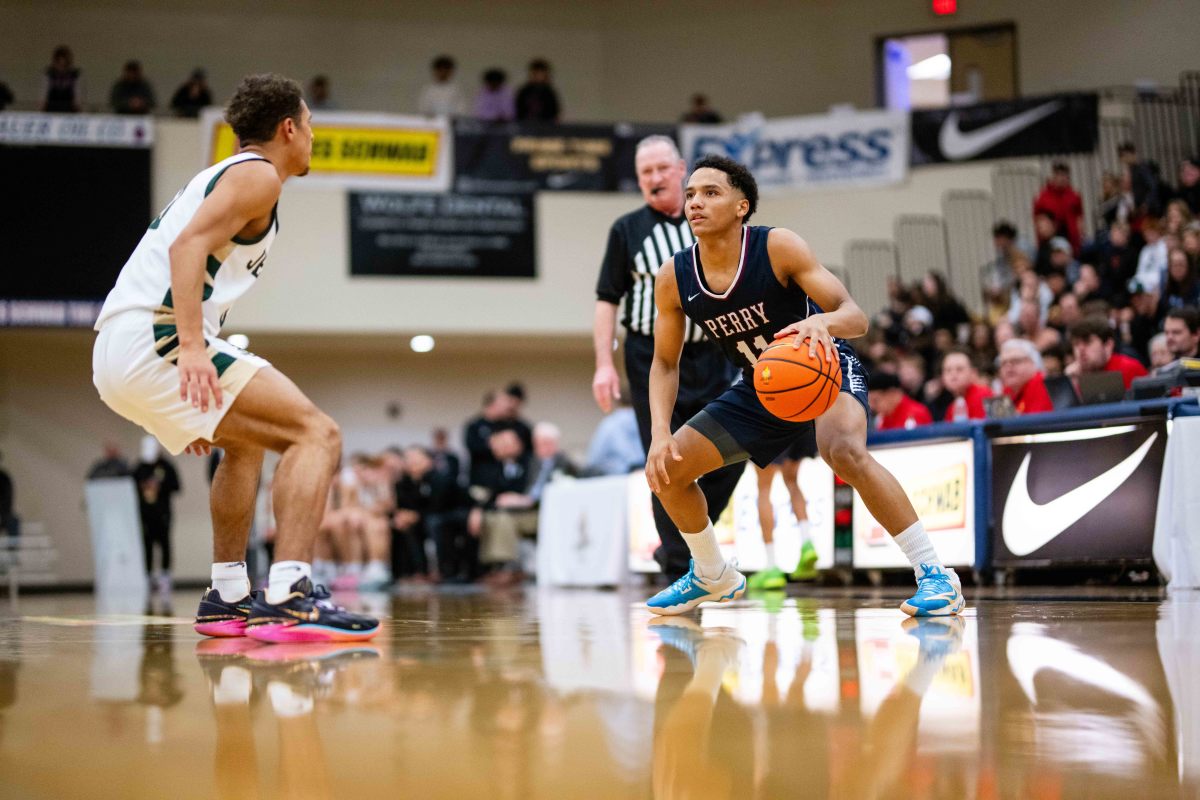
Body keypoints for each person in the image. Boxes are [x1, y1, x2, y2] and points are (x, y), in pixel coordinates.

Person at [91, 74, 377, 642]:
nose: (313, 138)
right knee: (316, 434)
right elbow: (187, 247)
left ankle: (226, 596)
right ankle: (291, 593)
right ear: (288, 128)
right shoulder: (257, 175)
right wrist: (192, 350)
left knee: (243, 442)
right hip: (158, 337)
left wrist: (194, 401)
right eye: (311, 126)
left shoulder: (227, 177)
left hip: (121, 349)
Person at [643, 155, 963, 617]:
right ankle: (712, 573)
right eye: (690, 194)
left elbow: (856, 317)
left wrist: (824, 323)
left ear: (741, 206)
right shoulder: (673, 277)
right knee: (668, 471)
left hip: (822, 366)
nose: (695, 202)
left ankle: (936, 576)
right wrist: (658, 432)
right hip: (760, 385)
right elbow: (665, 364)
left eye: (710, 193)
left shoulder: (778, 247)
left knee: (844, 452)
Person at [592, 135, 743, 581]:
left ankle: (688, 541)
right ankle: (680, 567)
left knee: (731, 450)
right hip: (652, 356)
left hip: (716, 350)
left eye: (662, 169)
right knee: (664, 459)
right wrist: (604, 362)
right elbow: (606, 299)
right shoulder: (626, 230)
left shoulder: (711, 222)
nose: (655, 179)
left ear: (680, 169)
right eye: (645, 173)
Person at [748, 429, 818, 592]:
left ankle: (771, 566)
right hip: (802, 420)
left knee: (764, 489)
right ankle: (807, 543)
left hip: (771, 420)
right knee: (792, 481)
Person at [133, 436, 181, 595]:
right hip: (145, 514)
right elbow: (130, 486)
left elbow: (177, 486)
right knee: (147, 545)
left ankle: (165, 576)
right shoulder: (139, 467)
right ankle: (148, 576)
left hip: (163, 514)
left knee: (165, 544)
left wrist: (160, 486)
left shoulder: (166, 466)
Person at [1065, 317, 1147, 389]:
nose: (1080, 349)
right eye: (1076, 344)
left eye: (1087, 342)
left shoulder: (1129, 369)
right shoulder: (1072, 376)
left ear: (1108, 345)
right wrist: (1069, 386)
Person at [584, 396, 644, 475]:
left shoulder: (609, 425)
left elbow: (593, 460)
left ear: (617, 400)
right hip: (648, 479)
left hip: (619, 480)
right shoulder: (648, 423)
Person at [1033, 162, 1083, 254]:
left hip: (1072, 240)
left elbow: (1079, 217)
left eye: (1064, 175)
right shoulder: (1043, 198)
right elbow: (1037, 220)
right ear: (1053, 176)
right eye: (1058, 175)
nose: (1061, 179)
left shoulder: (1074, 196)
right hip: (1050, 240)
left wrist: (1080, 235)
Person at [998, 339, 1054, 414]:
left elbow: (1035, 423)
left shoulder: (1041, 383)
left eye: (1015, 361)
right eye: (1003, 363)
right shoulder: (1007, 389)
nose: (1008, 367)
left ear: (1033, 363)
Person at [867, 371, 933, 431]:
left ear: (892, 393)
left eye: (875, 400)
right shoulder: (882, 418)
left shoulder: (916, 414)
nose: (872, 406)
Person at [940, 348, 992, 421]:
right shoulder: (951, 408)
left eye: (959, 369)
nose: (953, 375)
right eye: (948, 370)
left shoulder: (986, 395)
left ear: (973, 373)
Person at [42, 45, 83, 112]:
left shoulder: (75, 75)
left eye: (64, 65)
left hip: (69, 111)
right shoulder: (48, 74)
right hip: (51, 110)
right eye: (59, 64)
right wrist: (42, 110)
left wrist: (78, 109)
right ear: (55, 62)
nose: (61, 68)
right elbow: (43, 94)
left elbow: (77, 97)